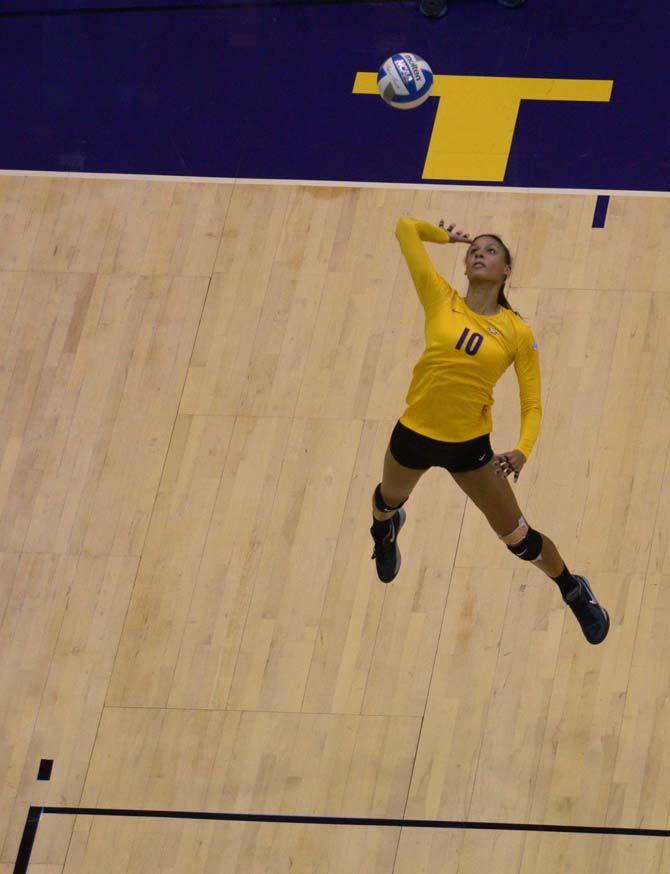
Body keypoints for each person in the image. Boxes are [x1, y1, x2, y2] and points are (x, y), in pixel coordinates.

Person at [369, 216, 609, 645]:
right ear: (464, 265)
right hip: (415, 434)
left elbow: (532, 403)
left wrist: (522, 450)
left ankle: (574, 590)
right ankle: (384, 531)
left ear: (506, 271)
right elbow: (405, 227)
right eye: (474, 249)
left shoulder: (517, 332)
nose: (479, 252)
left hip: (469, 449)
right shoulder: (441, 298)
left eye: (490, 250)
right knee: (386, 502)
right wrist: (445, 237)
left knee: (518, 540)